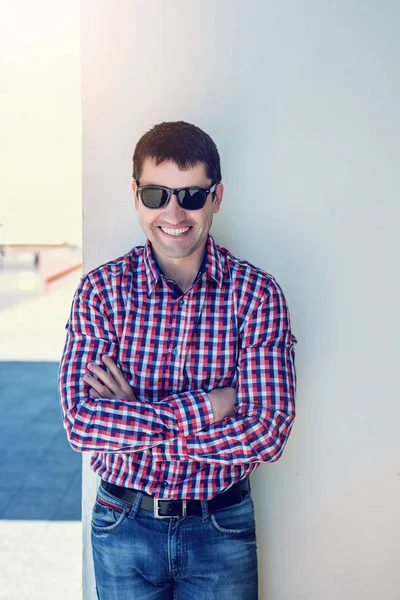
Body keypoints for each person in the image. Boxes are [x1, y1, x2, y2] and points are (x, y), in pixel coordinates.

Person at [58, 121, 297, 600]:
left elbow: (268, 434)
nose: (173, 213)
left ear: (216, 197)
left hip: (220, 525)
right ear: (135, 194)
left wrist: (135, 419)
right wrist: (211, 408)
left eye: (190, 196)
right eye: (155, 195)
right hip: (123, 524)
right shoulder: (101, 291)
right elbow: (81, 424)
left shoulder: (257, 294)